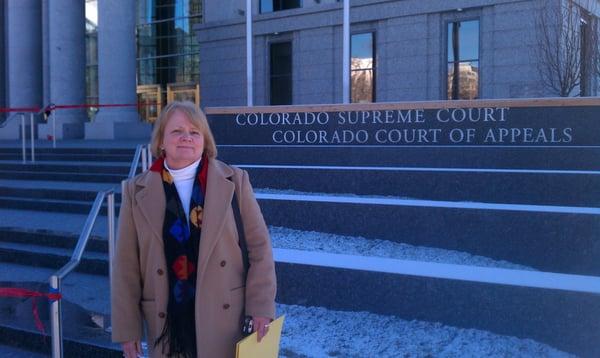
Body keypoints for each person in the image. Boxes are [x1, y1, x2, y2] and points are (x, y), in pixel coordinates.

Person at [111, 101, 277, 358]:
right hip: (167, 323)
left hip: (225, 319)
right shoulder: (137, 191)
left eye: (195, 131)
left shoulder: (235, 180)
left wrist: (261, 305)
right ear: (161, 140)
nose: (186, 137)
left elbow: (259, 248)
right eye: (177, 131)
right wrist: (127, 329)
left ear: (205, 140)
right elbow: (126, 265)